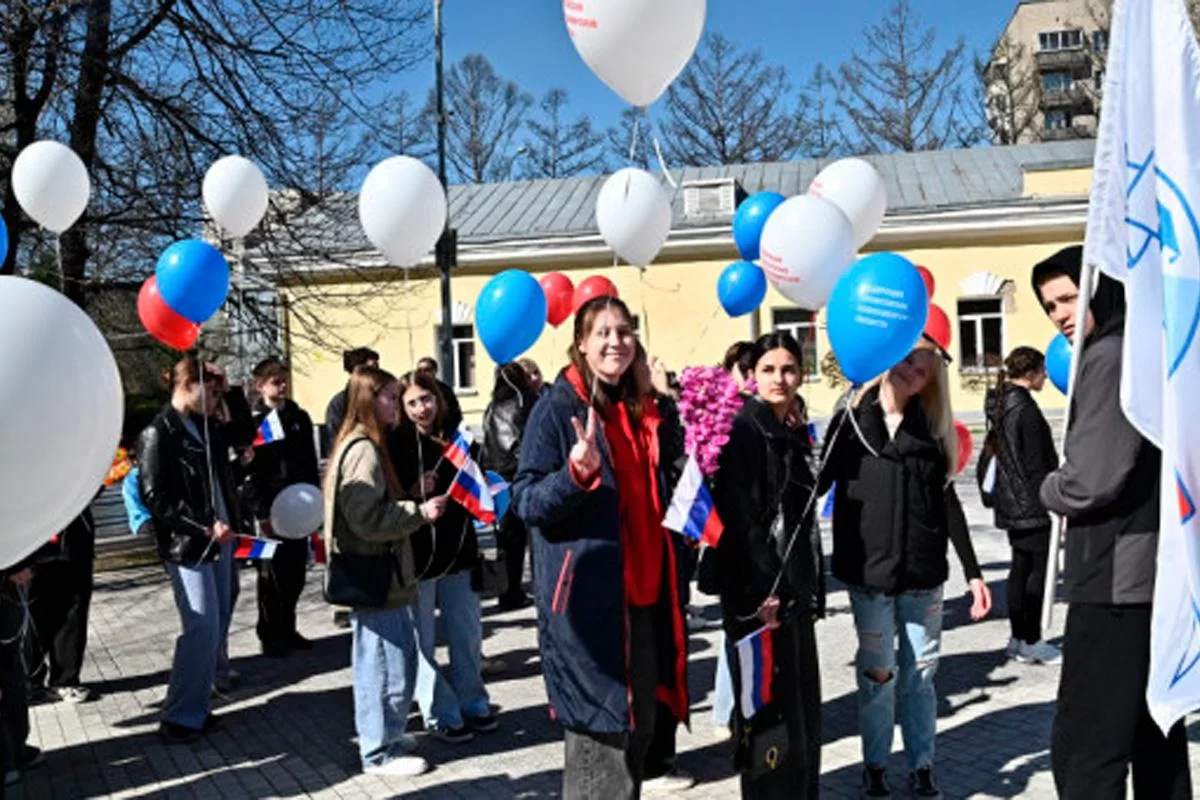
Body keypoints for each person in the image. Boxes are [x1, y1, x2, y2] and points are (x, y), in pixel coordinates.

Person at [514, 295, 689, 799]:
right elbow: (525, 500)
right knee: (601, 749)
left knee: (638, 734)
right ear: (582, 344)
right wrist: (574, 475)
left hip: (647, 600)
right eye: (603, 333)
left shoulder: (641, 406)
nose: (616, 342)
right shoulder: (558, 409)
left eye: (624, 331)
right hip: (588, 606)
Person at [1032, 246, 1191, 798]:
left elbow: (1089, 481)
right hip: (1151, 569)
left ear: (1102, 289)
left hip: (1113, 574)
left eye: (1069, 298)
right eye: (1050, 306)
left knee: (1089, 743)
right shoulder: (1148, 347)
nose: (1061, 314)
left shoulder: (1108, 356)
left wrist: (1048, 487)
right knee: (1155, 733)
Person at [820, 336, 992, 800]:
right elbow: (819, 482)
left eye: (924, 368)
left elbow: (948, 504)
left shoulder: (932, 431)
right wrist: (855, 397)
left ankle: (922, 766)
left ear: (928, 384)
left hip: (922, 578)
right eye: (908, 358)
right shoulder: (852, 422)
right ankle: (875, 766)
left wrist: (973, 571)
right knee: (878, 677)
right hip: (868, 577)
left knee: (920, 678)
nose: (912, 369)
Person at [709, 332, 823, 799]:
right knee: (767, 717)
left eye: (789, 369)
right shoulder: (745, 431)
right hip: (760, 598)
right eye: (769, 370)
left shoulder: (787, 429)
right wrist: (764, 591)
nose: (780, 378)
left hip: (790, 592)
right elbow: (741, 521)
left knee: (797, 711)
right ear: (752, 376)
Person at [324, 365, 447, 777]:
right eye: (391, 397)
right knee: (384, 666)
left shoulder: (361, 443)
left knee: (392, 661)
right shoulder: (362, 449)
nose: (398, 405)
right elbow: (365, 518)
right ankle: (379, 752)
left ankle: (387, 735)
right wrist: (418, 512)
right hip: (377, 576)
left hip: (380, 576)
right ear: (368, 399)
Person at [388, 370, 495, 742]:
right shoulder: (396, 443)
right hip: (418, 557)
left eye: (427, 399)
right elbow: (387, 499)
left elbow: (479, 482)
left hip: (458, 551)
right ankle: (439, 712)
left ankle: (474, 703)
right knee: (423, 643)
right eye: (412, 402)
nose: (422, 408)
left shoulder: (458, 438)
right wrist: (411, 490)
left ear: (438, 398)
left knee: (467, 636)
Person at [138, 359, 240, 743]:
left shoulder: (205, 426)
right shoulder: (158, 432)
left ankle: (196, 706)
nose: (214, 398)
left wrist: (229, 389)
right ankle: (179, 715)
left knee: (218, 620)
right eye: (209, 391)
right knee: (201, 626)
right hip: (190, 544)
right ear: (187, 385)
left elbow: (241, 434)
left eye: (217, 392)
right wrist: (203, 526)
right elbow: (155, 497)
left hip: (220, 538)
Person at [983, 347, 1061, 665]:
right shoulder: (1025, 409)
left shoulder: (1000, 404)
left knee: (1020, 569)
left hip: (1010, 502)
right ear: (1031, 373)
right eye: (1043, 371)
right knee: (1037, 574)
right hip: (1032, 503)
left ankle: (1017, 638)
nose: (1046, 378)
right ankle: (1031, 639)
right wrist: (1054, 498)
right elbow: (1036, 464)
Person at [245, 358, 321, 658]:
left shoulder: (298, 417)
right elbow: (252, 473)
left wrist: (315, 501)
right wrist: (261, 512)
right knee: (271, 576)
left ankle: (288, 627)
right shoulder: (255, 422)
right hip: (271, 507)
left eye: (284, 380)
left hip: (298, 506)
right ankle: (270, 632)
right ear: (260, 386)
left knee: (295, 573)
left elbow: (309, 462)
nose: (282, 386)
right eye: (275, 381)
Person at [326, 347, 380, 631]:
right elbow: (336, 443)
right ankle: (342, 602)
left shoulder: (377, 398)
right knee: (346, 543)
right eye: (370, 366)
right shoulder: (339, 404)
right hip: (350, 478)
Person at [482, 363, 538, 612]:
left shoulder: (492, 406)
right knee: (534, 537)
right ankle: (538, 589)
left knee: (507, 540)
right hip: (520, 475)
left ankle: (508, 592)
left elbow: (488, 444)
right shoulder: (525, 400)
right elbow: (529, 440)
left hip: (497, 478)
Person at [27, 507, 97, 704]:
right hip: (33, 544)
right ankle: (29, 679)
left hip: (74, 540)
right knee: (32, 615)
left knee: (74, 612)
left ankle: (65, 680)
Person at [326, 347, 380, 446]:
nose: (378, 373)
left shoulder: (382, 399)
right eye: (372, 368)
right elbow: (335, 441)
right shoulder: (339, 403)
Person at [416, 357, 464, 437]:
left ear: (435, 371)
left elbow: (456, 414)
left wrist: (447, 431)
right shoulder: (415, 390)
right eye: (419, 370)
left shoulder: (445, 390)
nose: (422, 373)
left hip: (442, 434)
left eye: (426, 370)